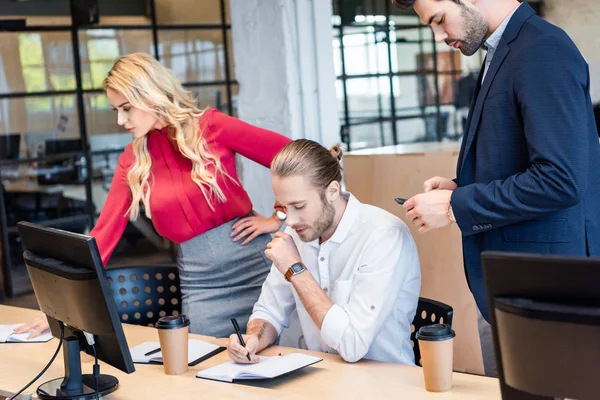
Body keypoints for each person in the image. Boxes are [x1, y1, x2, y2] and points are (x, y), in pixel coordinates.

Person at [15, 52, 291, 338]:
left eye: (126, 108)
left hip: (252, 265)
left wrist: (278, 216)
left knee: (269, 364)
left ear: (149, 96)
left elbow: (294, 156)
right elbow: (103, 235)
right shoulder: (132, 160)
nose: (121, 121)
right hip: (201, 281)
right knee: (202, 364)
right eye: (116, 111)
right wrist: (57, 305)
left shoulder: (211, 126)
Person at [392, 0, 600, 377]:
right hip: (515, 288)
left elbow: (560, 179)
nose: (439, 37)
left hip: (548, 294)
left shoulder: (542, 49)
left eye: (439, 20)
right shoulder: (505, 49)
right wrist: (461, 184)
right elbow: (524, 161)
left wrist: (457, 204)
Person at [226, 139, 421, 365]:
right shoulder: (298, 233)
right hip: (323, 378)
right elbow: (269, 311)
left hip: (388, 384)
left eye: (299, 207)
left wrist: (295, 270)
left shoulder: (384, 236)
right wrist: (253, 339)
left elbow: (353, 345)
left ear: (332, 191)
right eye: (282, 208)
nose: (290, 220)